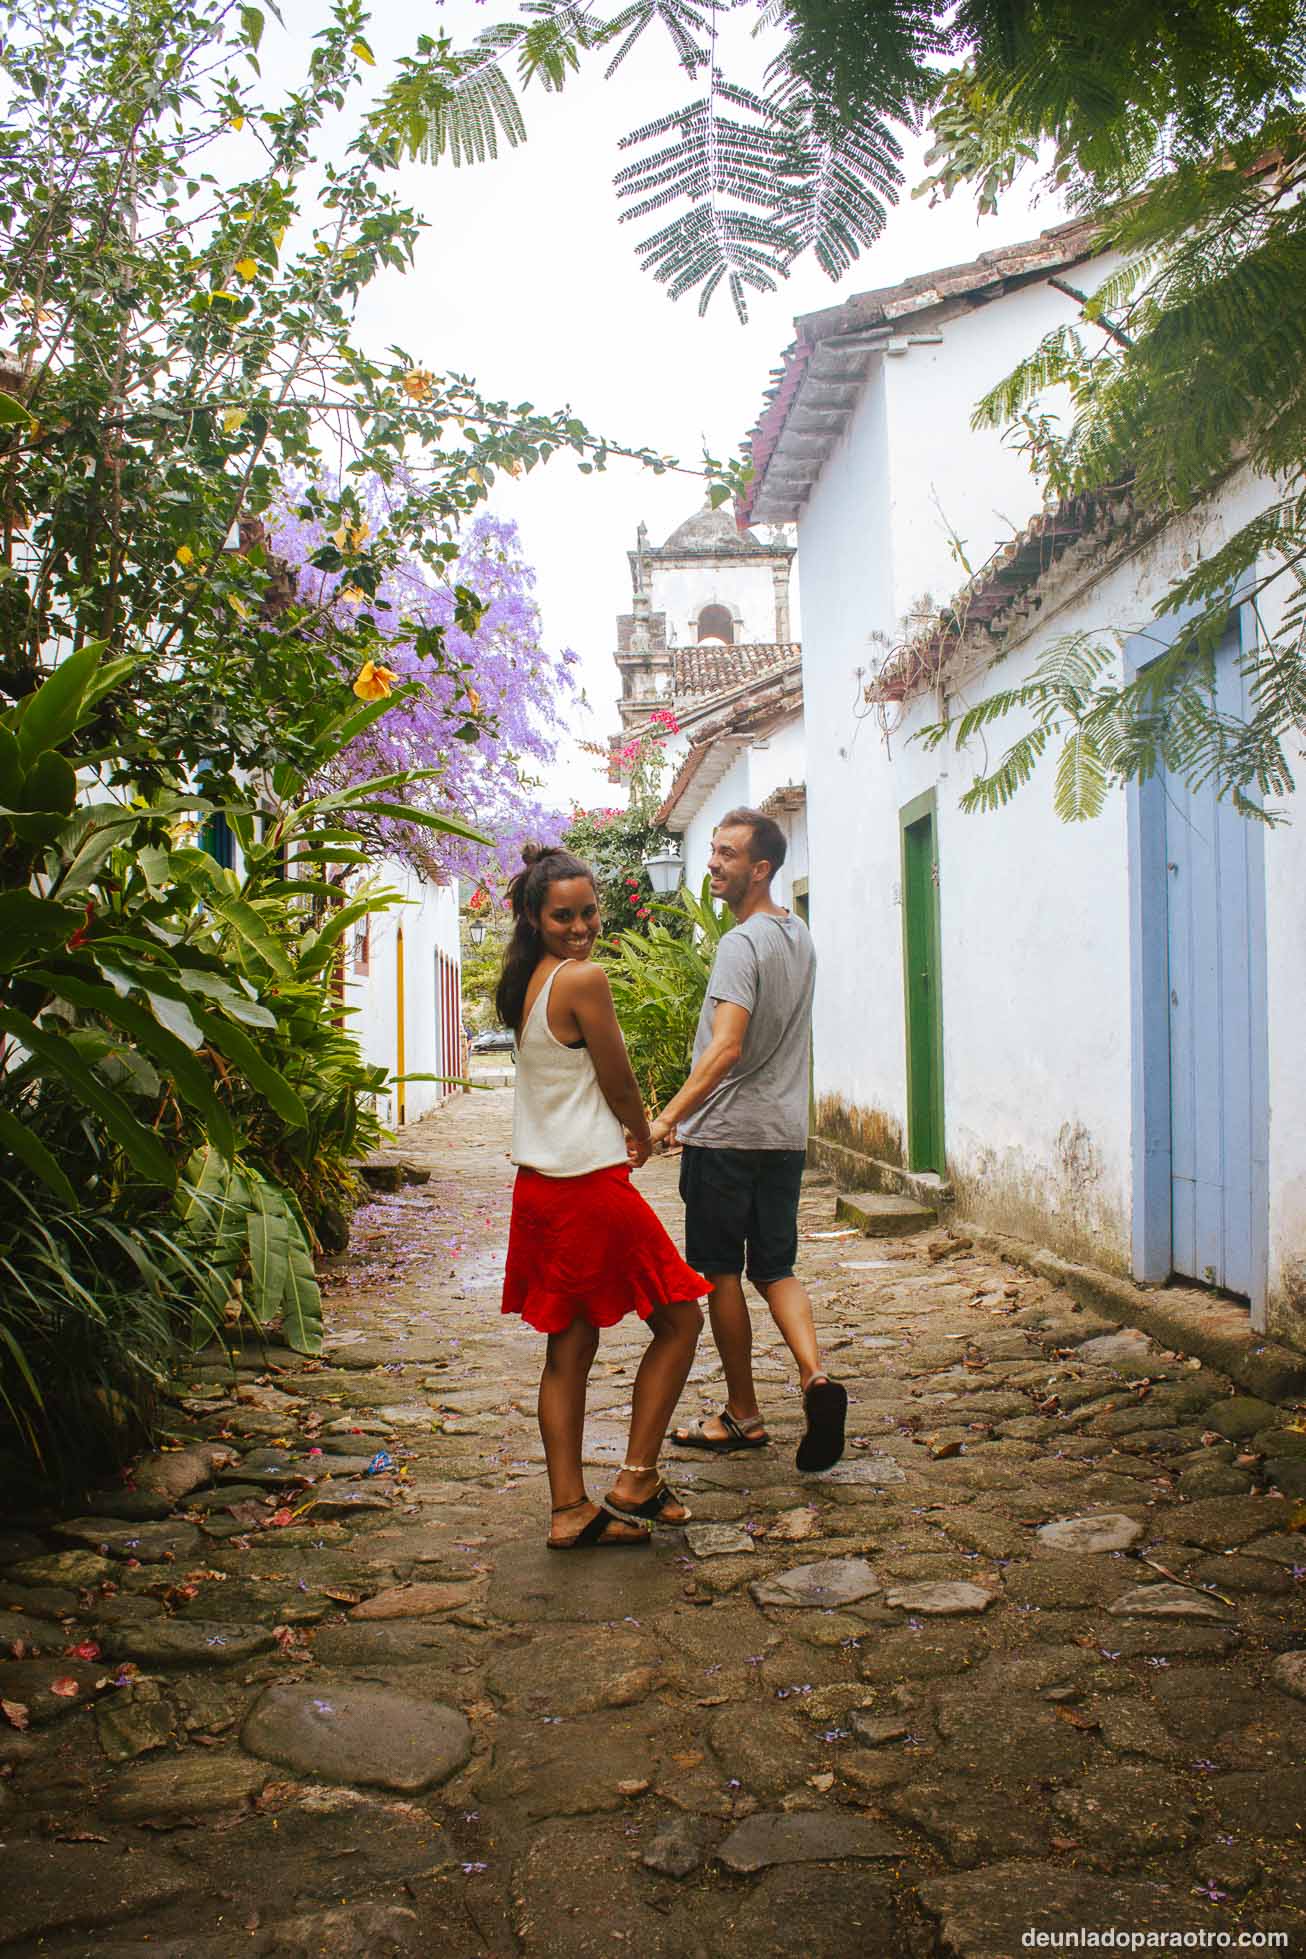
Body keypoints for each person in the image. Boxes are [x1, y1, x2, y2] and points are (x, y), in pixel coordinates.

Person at [497, 844, 707, 1549]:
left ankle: (569, 1510)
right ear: (534, 914)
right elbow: (617, 1079)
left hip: (541, 1188)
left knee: (571, 1344)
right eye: (564, 914)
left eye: (589, 911)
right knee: (680, 1321)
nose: (581, 925)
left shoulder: (528, 977)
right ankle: (637, 1478)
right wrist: (642, 1131)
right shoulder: (583, 979)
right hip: (588, 1184)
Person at [648, 808, 847, 1471]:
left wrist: (666, 1116)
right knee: (777, 1267)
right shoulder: (800, 936)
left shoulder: (741, 944)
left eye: (727, 854)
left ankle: (744, 1412)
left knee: (720, 1272)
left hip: (727, 1136)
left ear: (760, 868)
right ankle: (815, 1377)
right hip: (783, 1137)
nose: (712, 862)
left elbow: (726, 1046)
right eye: (712, 850)